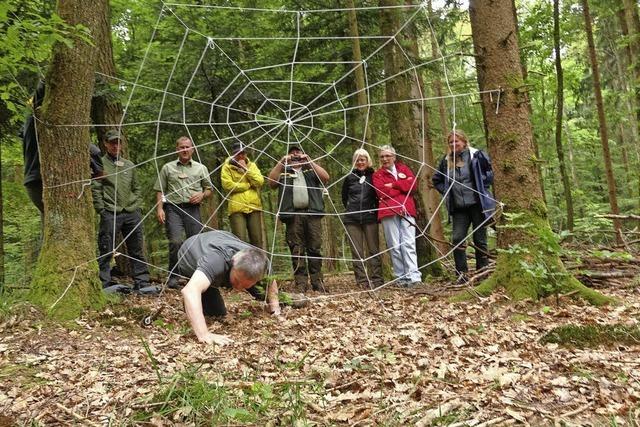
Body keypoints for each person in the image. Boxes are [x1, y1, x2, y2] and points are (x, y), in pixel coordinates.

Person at [179, 230, 279, 345]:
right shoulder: (216, 260)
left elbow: (271, 281)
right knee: (216, 312)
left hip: (220, 240)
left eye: (245, 285)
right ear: (233, 263)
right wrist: (204, 334)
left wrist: (275, 309)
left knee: (262, 294)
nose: (239, 288)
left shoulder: (263, 263)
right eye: (237, 281)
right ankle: (196, 300)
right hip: (190, 253)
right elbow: (190, 291)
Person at [92, 130, 153, 294]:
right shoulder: (100, 163)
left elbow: (137, 187)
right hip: (110, 212)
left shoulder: (129, 165)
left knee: (136, 248)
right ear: (105, 144)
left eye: (118, 142)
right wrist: (102, 210)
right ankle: (104, 283)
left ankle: (142, 281)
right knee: (106, 247)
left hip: (132, 212)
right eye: (112, 142)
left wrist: (137, 205)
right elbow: (96, 188)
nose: (115, 146)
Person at [432, 130, 495, 283]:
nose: (454, 144)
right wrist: (447, 190)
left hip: (477, 204)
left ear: (464, 142)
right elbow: (436, 179)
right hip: (459, 207)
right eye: (451, 142)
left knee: (480, 239)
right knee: (457, 238)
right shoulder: (446, 161)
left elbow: (490, 172)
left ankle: (483, 272)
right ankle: (462, 274)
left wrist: (482, 185)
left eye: (456, 141)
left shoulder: (476, 155)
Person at [268, 145, 330, 292]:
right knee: (296, 249)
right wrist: (282, 161)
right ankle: (301, 283)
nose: (295, 155)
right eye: (292, 153)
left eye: (298, 153)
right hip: (292, 215)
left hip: (312, 213)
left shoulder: (310, 170)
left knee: (314, 247)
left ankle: (317, 281)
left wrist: (309, 160)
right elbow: (271, 183)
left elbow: (326, 177)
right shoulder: (284, 172)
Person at [154, 136, 212, 288]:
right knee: (176, 241)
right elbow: (160, 189)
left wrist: (202, 195)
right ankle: (173, 276)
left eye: (187, 147)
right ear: (177, 149)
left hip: (193, 209)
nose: (185, 150)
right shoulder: (167, 167)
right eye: (182, 147)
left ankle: (196, 277)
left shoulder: (201, 168)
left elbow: (209, 189)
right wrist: (159, 209)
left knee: (195, 242)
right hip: (173, 209)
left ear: (192, 149)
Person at [372, 145, 421, 287]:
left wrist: (393, 185)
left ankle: (414, 277)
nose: (385, 159)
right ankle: (401, 278)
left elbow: (412, 186)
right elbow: (381, 193)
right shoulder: (377, 175)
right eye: (382, 156)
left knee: (409, 243)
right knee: (394, 245)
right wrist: (401, 187)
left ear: (394, 157)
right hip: (388, 212)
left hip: (407, 210)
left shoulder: (403, 169)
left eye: (387, 156)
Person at [341, 148, 383, 289]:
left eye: (363, 159)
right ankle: (362, 281)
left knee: (373, 249)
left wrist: (375, 211)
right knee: (357, 251)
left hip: (370, 217)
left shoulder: (375, 176)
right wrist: (351, 209)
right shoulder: (349, 177)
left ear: (367, 161)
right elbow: (344, 197)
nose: (360, 162)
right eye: (357, 160)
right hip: (352, 219)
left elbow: (379, 196)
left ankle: (377, 279)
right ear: (354, 161)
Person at [220, 141, 264, 248]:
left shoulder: (252, 165)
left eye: (243, 153)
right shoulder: (227, 167)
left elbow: (259, 182)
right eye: (238, 153)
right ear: (233, 154)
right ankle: (240, 265)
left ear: (246, 154)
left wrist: (246, 169)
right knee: (239, 241)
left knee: (257, 240)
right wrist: (247, 185)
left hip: (253, 207)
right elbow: (227, 186)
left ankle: (260, 264)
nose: (240, 156)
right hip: (236, 208)